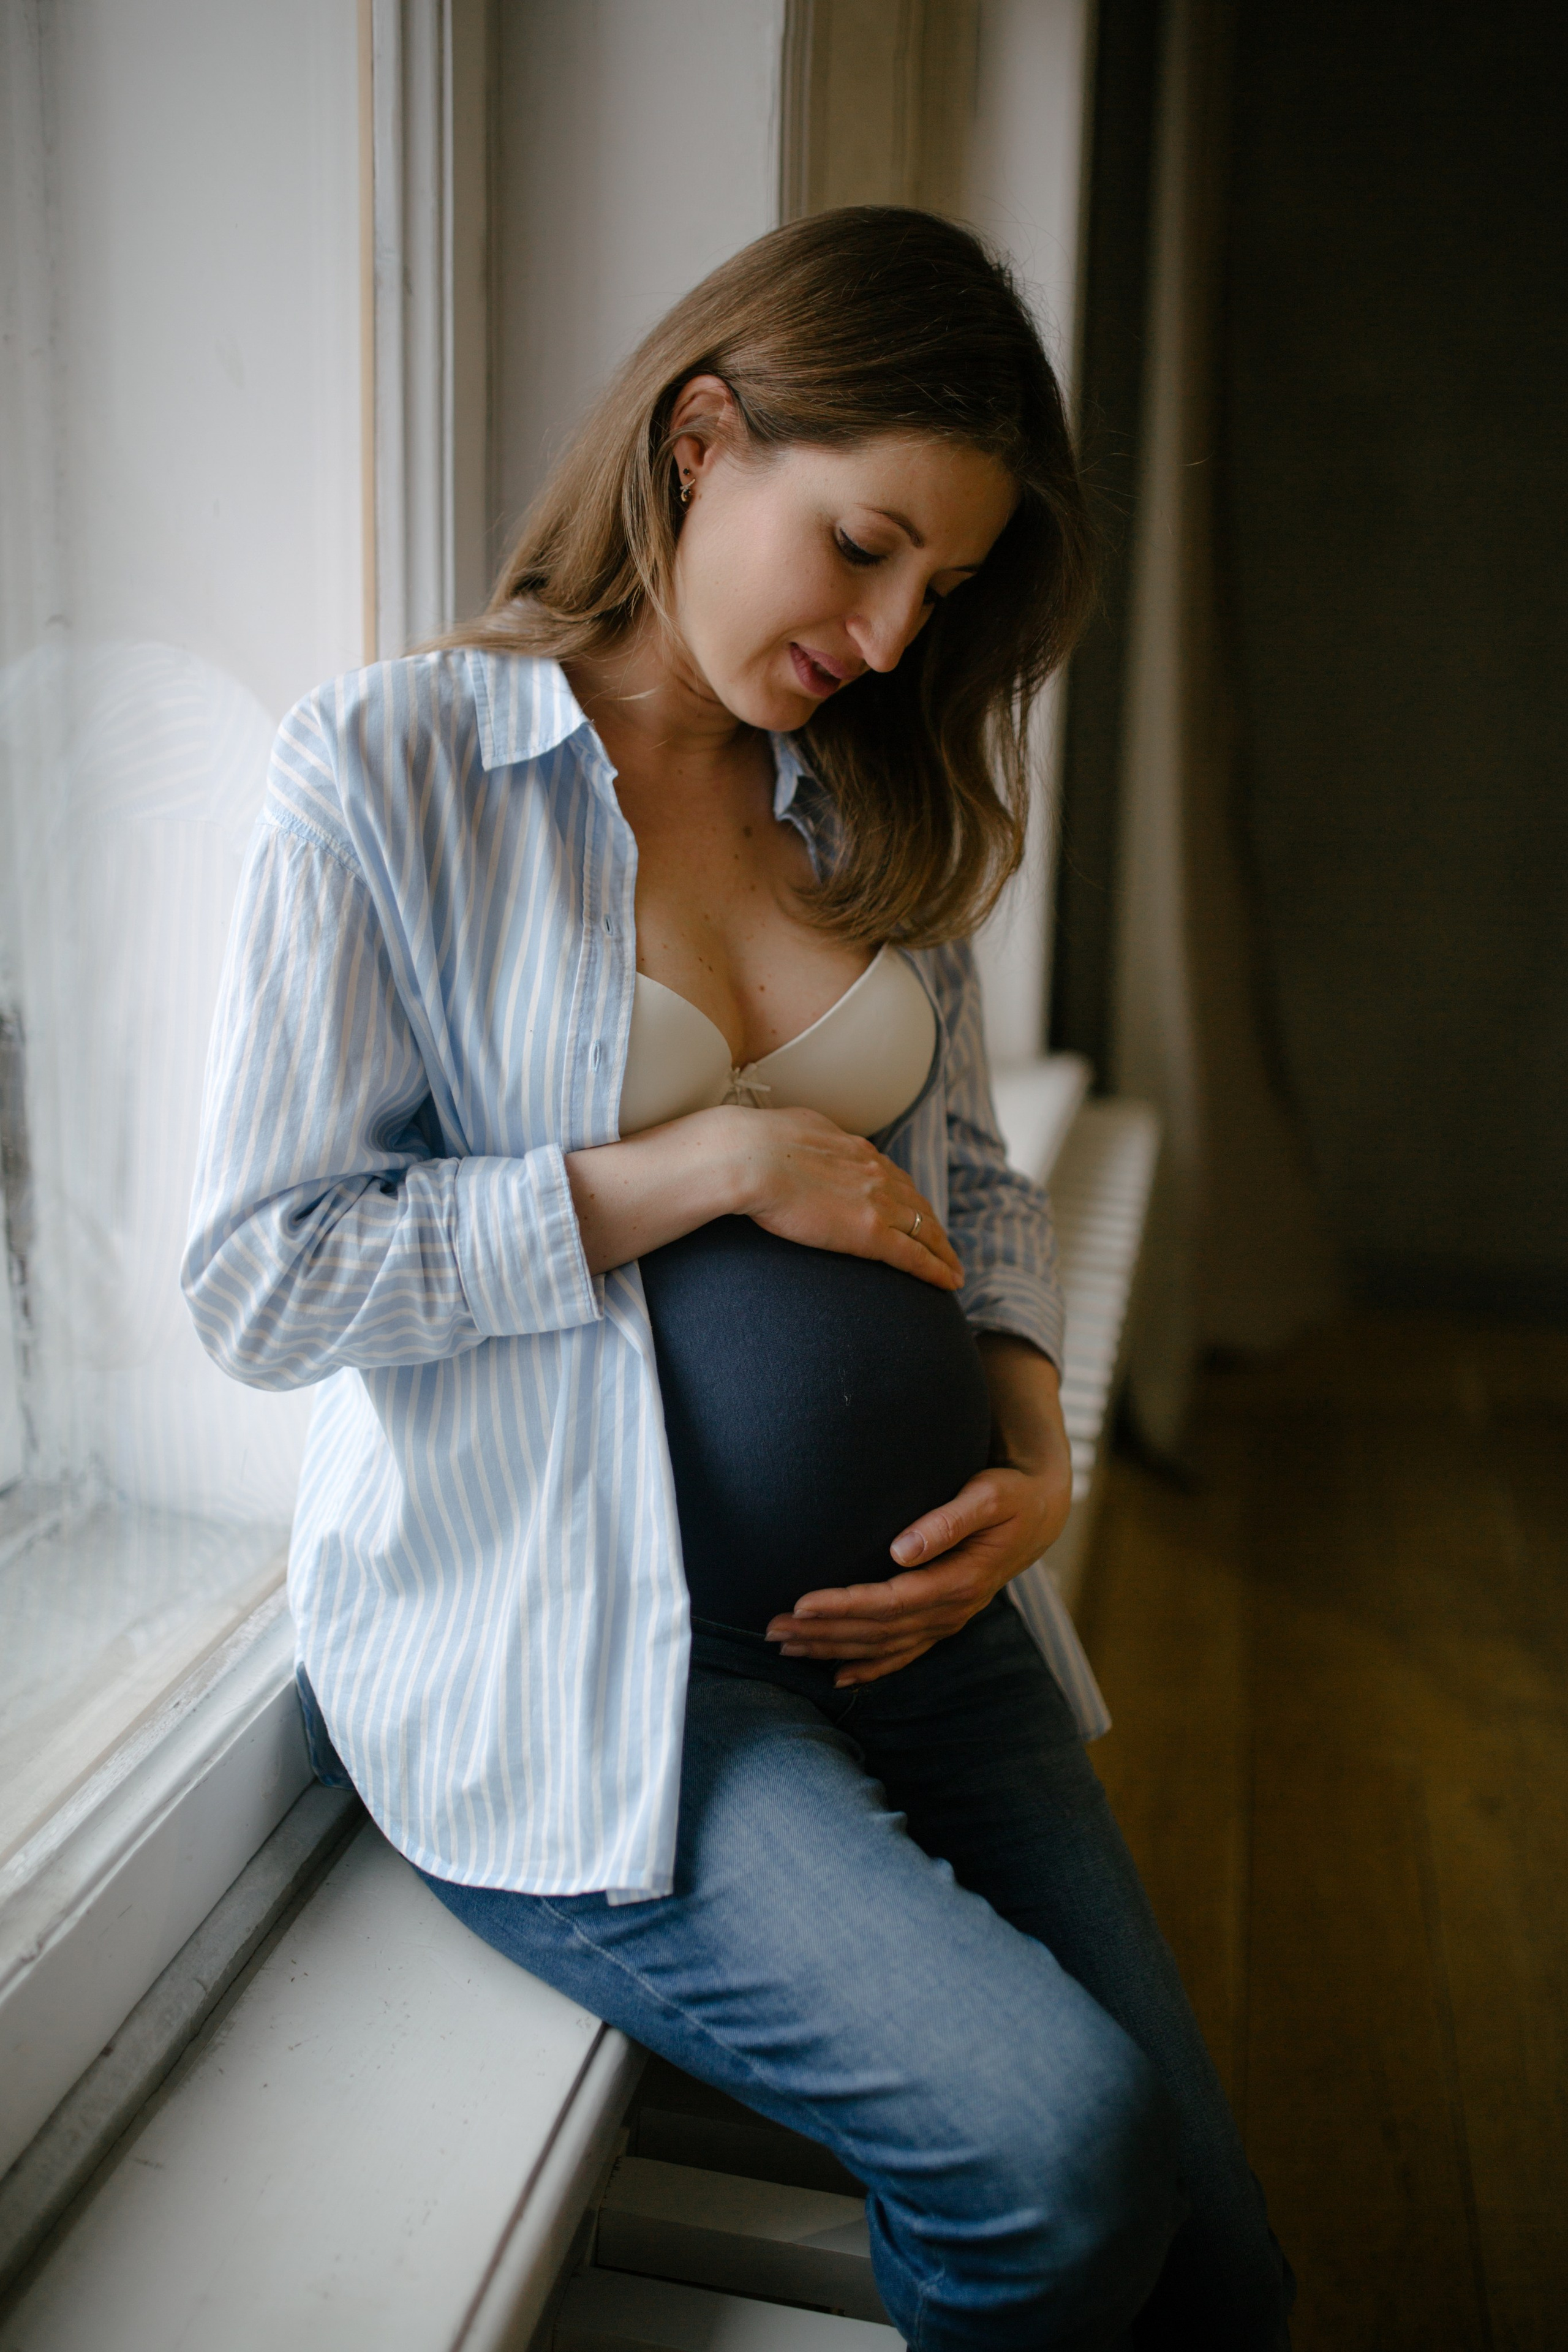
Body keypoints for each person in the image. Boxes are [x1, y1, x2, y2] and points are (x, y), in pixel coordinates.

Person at [184, 208, 1291, 2350]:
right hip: (590, 1661)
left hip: (929, 1627)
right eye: (863, 547)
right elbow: (260, 1281)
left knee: (1220, 2281)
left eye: (943, 590)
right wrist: (676, 1171)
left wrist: (1034, 1434)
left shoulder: (866, 783)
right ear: (705, 440)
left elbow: (965, 1167)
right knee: (1055, 2162)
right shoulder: (394, 776)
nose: (891, 637)